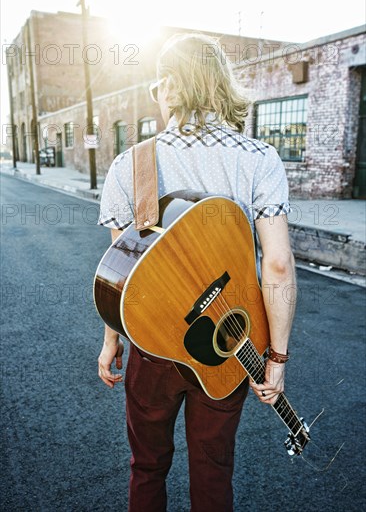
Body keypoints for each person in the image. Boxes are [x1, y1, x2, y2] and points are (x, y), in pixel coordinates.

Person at [97, 33, 296, 512]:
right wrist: (277, 359)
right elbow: (277, 264)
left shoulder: (131, 165)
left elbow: (124, 272)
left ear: (168, 87)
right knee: (213, 470)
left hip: (155, 343)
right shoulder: (259, 159)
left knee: (147, 466)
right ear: (221, 86)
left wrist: (111, 343)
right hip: (229, 347)